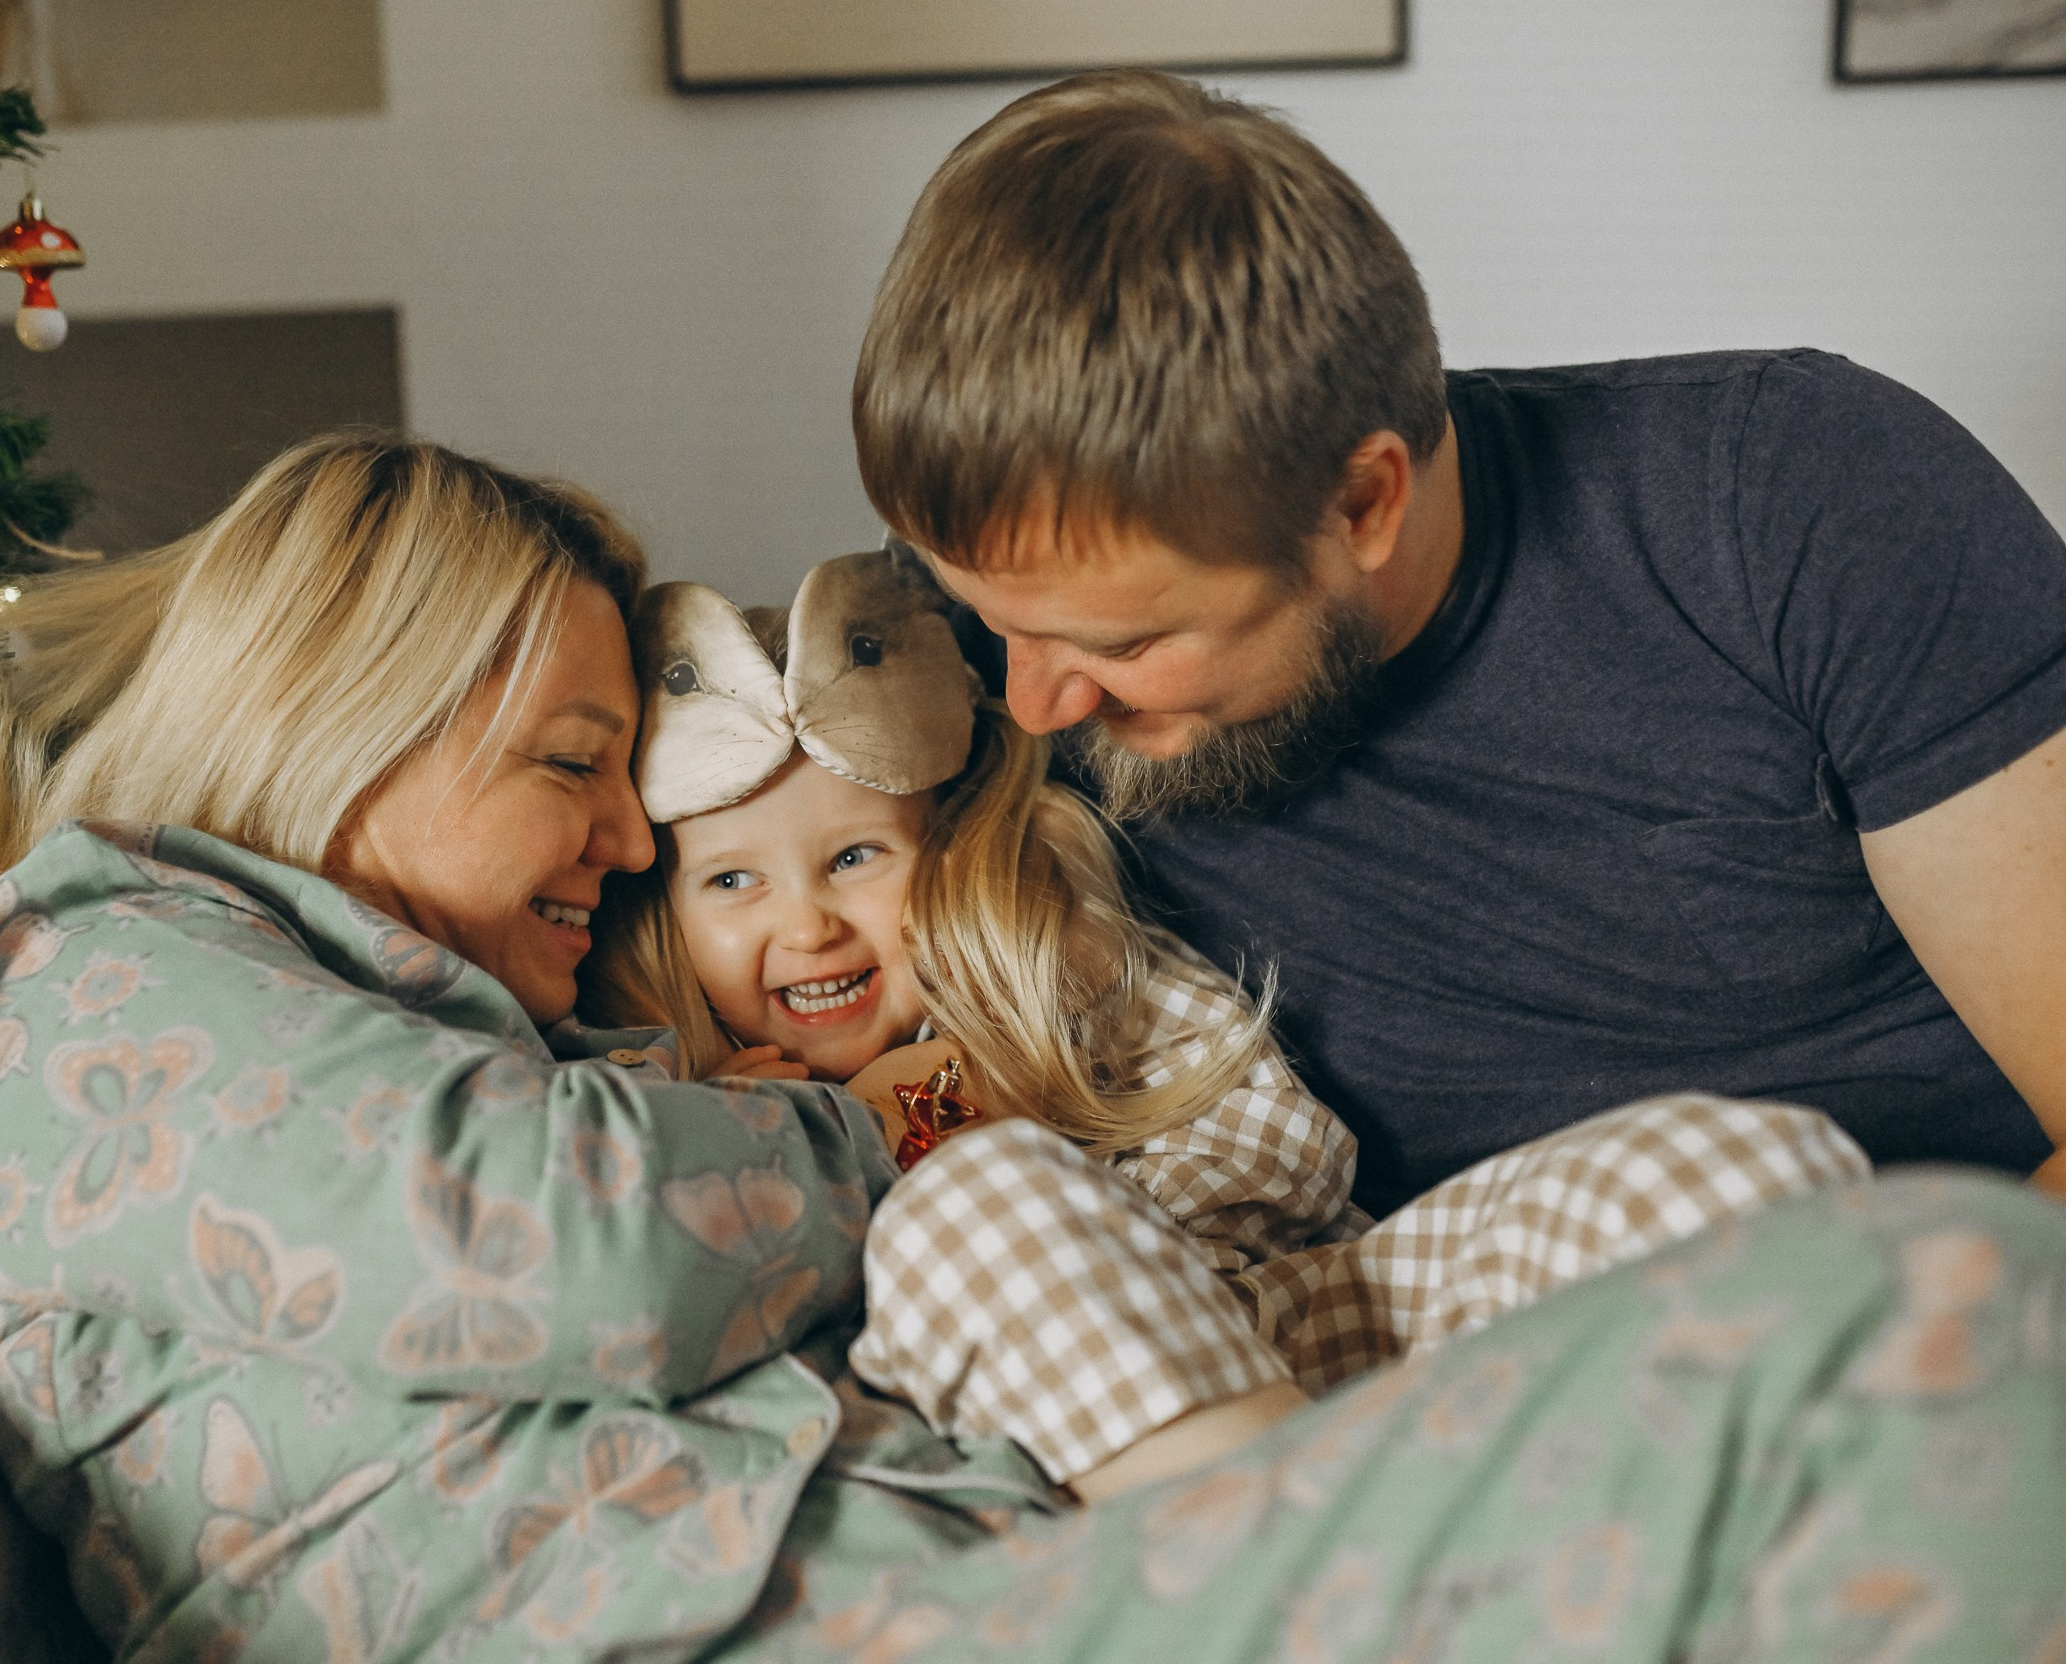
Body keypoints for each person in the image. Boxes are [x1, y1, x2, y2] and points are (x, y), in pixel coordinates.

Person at [0, 431, 2066, 1661]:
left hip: (1031, 1546)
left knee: (1779, 1220)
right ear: (342, 715)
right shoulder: (86, 958)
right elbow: (535, 1243)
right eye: (574, 760)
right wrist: (877, 1148)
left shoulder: (416, 1024)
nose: (635, 833)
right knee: (1943, 1306)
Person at [851, 69, 2066, 1215]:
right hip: (1409, 1351)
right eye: (995, 621)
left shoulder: (1795, 506)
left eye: (1118, 643)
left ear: (1364, 503)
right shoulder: (959, 641)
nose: (1036, 701)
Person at [583, 548, 1866, 1497]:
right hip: (1069, 1444)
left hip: (1301, 1326)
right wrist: (885, 1137)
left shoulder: (1061, 966)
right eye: (734, 882)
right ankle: (1303, 1596)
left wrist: (1071, 1158)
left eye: (856, 856)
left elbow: (1289, 1144)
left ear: (948, 846)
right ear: (666, 913)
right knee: (983, 1202)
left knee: (1718, 1165)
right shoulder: (687, 1105)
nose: (805, 924)